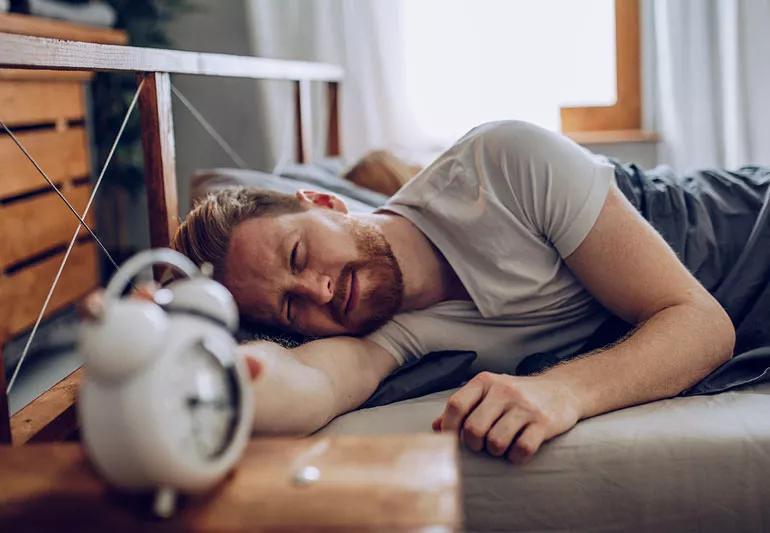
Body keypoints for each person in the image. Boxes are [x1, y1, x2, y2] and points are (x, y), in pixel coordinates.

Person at [171, 121, 735, 462]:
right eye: (290, 308)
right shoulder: (380, 330)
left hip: (734, 225)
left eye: (298, 255)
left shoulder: (503, 163)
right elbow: (309, 382)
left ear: (323, 203)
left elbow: (701, 324)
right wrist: (196, 371)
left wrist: (561, 392)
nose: (318, 291)